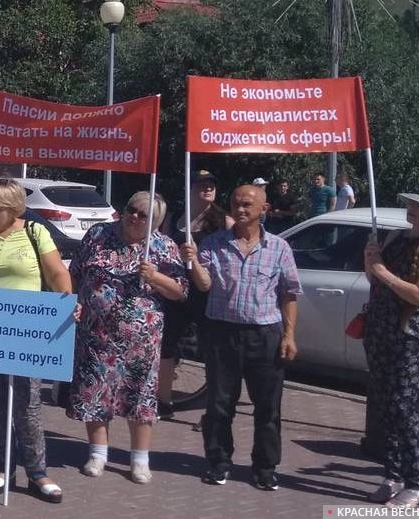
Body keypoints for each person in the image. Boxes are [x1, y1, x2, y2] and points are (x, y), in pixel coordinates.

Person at [183, 184, 301, 491]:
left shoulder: (279, 248)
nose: (240, 209)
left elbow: (289, 293)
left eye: (248, 204)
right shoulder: (214, 243)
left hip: (266, 335)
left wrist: (289, 335)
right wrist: (194, 261)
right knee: (220, 404)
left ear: (264, 208)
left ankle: (265, 467)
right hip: (223, 334)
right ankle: (219, 462)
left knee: (268, 407)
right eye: (236, 204)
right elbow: (205, 284)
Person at [0, 178, 72, 503]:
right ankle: (3, 467)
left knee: (27, 403)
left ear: (14, 208)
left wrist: (68, 301)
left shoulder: (35, 233)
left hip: (28, 329)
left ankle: (38, 472)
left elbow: (56, 274)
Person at [67, 191, 187, 484]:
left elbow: (181, 291)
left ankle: (139, 459)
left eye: (142, 215)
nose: (133, 216)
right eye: (131, 209)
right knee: (94, 390)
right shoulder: (98, 235)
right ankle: (97, 453)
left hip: (140, 339)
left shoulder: (163, 246)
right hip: (96, 334)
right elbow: (75, 272)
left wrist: (156, 277)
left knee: (141, 395)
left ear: (155, 222)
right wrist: (72, 299)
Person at [361, 183, 419, 507]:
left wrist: (381, 270)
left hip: (411, 337)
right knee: (386, 406)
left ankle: (418, 482)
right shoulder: (395, 238)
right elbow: (373, 280)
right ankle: (393, 475)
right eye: (409, 203)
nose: (411, 208)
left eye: (418, 205)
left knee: (404, 406)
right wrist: (371, 260)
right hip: (380, 331)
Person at [157, 169, 232, 417]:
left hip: (208, 292)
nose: (207, 188)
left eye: (211, 185)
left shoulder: (224, 221)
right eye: (201, 185)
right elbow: (162, 244)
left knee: (213, 349)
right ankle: (163, 402)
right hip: (177, 290)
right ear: (190, 189)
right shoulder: (177, 217)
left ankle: (215, 408)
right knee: (166, 345)